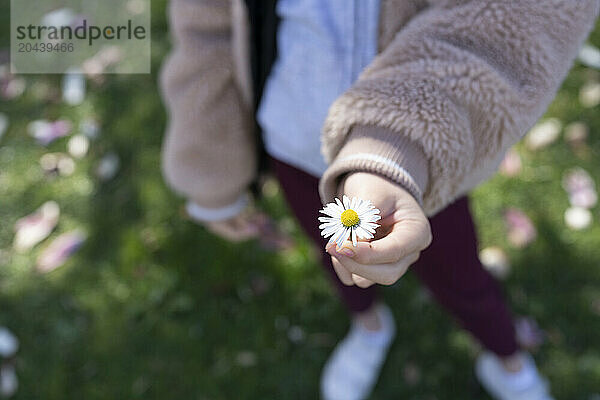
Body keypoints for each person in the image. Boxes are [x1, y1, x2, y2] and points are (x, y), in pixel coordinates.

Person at [159, 1, 599, 399]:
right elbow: (205, 28)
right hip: (291, 139)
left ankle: (507, 356)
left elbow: (511, 18)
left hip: (421, 168)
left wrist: (396, 144)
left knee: (459, 272)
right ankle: (368, 326)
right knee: (335, 255)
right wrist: (211, 172)